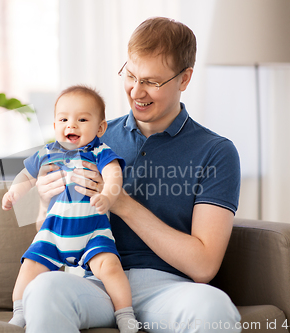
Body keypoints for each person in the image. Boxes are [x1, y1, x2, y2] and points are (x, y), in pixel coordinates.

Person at [22, 17, 243, 333]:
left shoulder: (216, 151)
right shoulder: (91, 137)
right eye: (130, 75)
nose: (136, 91)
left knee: (213, 307)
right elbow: (50, 235)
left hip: (167, 289)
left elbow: (203, 265)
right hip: (93, 282)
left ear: (184, 79)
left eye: (152, 82)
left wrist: (121, 202)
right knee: (43, 291)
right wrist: (46, 203)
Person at [2, 85, 138, 333]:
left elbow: (114, 174)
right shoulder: (48, 152)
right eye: (63, 119)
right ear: (54, 125)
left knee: (110, 267)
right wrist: (14, 192)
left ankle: (125, 314)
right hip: (53, 232)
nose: (71, 125)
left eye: (82, 119)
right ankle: (19, 314)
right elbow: (26, 175)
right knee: (29, 267)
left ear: (100, 128)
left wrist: (108, 196)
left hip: (92, 232)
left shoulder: (99, 152)